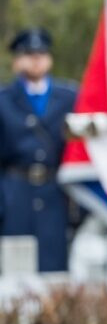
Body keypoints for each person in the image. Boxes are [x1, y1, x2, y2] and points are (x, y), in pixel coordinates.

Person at [0, 28, 79, 271]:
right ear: (17, 60)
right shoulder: (3, 99)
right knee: (13, 268)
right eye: (29, 53)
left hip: (54, 193)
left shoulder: (69, 97)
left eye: (41, 53)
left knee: (53, 265)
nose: (36, 59)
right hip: (14, 193)